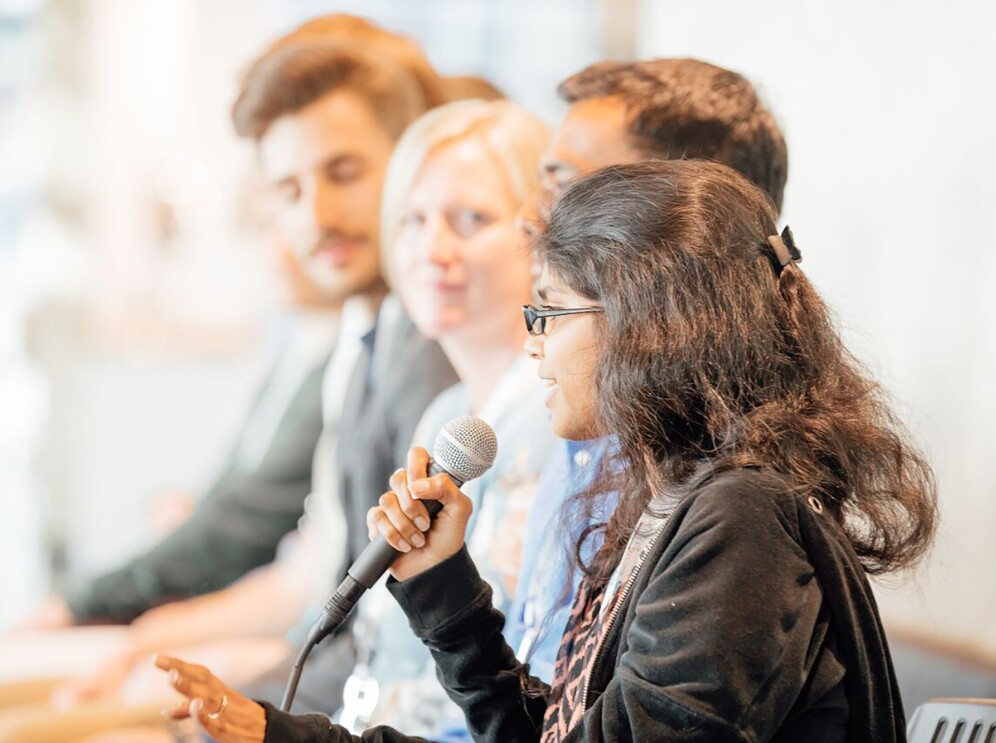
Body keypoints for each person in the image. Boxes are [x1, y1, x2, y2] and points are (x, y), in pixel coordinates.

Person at [155, 158, 938, 741]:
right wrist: (436, 590)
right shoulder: (678, 497)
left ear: (647, 326)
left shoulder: (739, 521)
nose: (534, 345)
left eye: (552, 313)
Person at [0, 14, 463, 743]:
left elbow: (396, 637)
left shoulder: (429, 353)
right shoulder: (363, 337)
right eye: (286, 189)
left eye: (343, 172)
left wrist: (245, 689)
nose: (313, 215)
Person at [504, 57, 791, 684]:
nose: (531, 215)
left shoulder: (736, 512)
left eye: (569, 188)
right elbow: (560, 716)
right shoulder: (628, 443)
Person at [334, 98, 555, 737]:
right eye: (413, 219)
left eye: (470, 219)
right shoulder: (449, 411)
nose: (432, 248)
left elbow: (528, 671)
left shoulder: (556, 423)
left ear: (544, 237)